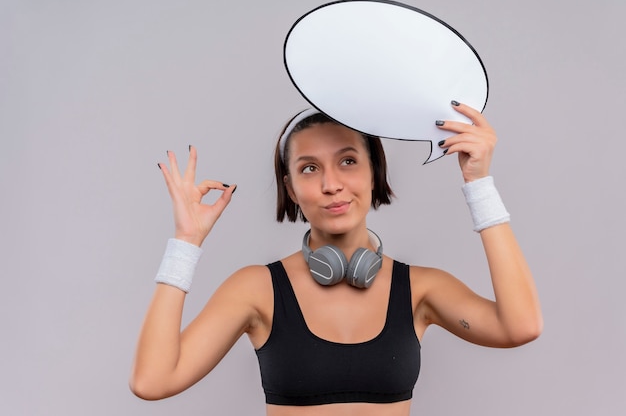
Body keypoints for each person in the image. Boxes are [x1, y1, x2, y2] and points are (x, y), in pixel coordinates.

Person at [130, 101, 543, 416]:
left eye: (348, 161)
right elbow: (152, 381)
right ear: (290, 189)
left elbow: (520, 326)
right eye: (309, 169)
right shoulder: (256, 289)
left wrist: (479, 184)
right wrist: (186, 241)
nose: (331, 184)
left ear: (373, 172)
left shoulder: (422, 289)